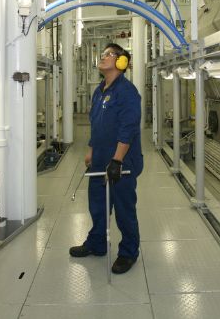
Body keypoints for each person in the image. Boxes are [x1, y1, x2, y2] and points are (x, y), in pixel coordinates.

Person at [69, 42, 143, 274]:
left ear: (122, 62)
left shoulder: (127, 92)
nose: (103, 57)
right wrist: (91, 149)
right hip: (100, 159)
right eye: (103, 54)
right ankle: (97, 243)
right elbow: (96, 123)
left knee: (123, 209)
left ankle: (129, 252)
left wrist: (118, 159)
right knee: (98, 206)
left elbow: (128, 127)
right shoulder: (99, 90)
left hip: (121, 163)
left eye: (110, 55)